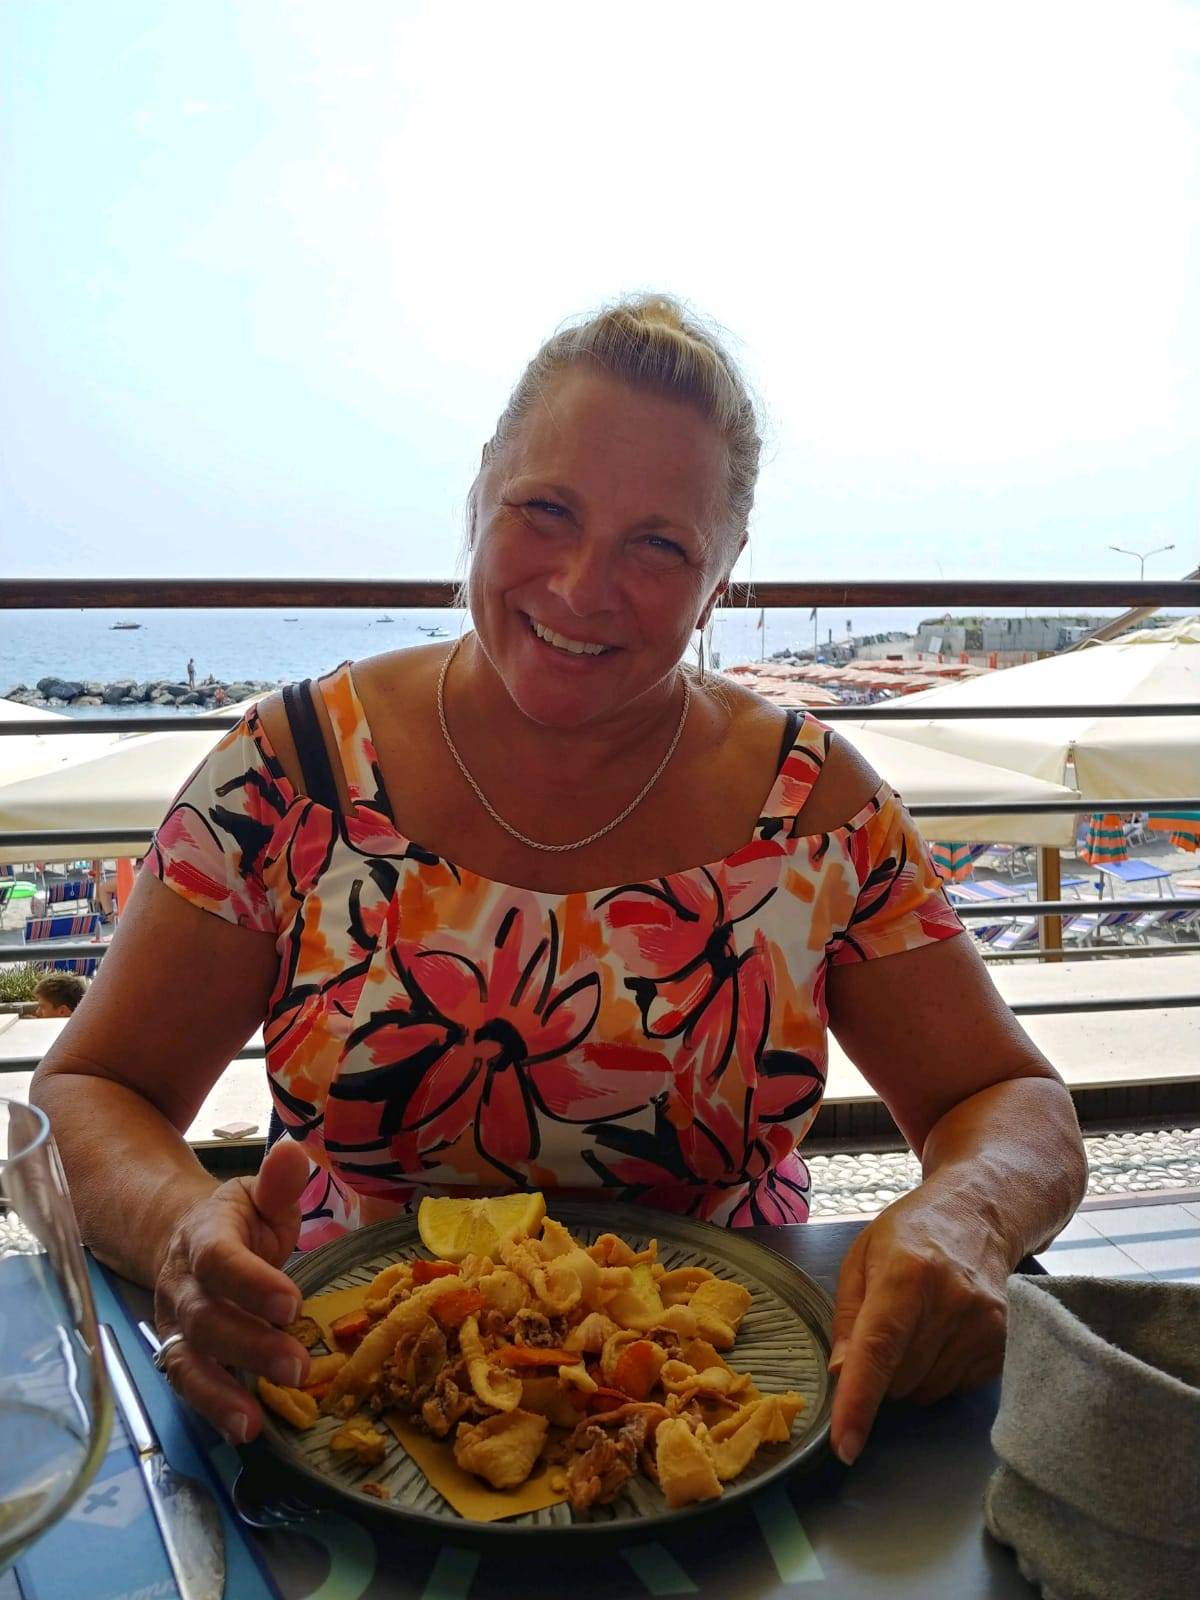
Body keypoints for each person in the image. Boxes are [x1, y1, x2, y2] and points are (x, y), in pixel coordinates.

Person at [31, 296, 1086, 1466]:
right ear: (481, 491)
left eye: (659, 545)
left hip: (720, 1429)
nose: (584, 586)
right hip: (341, 1415)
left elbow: (1012, 1105)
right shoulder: (290, 770)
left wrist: (966, 1212)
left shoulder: (819, 811)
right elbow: (88, 1091)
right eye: (546, 510)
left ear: (724, 571)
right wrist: (184, 1229)